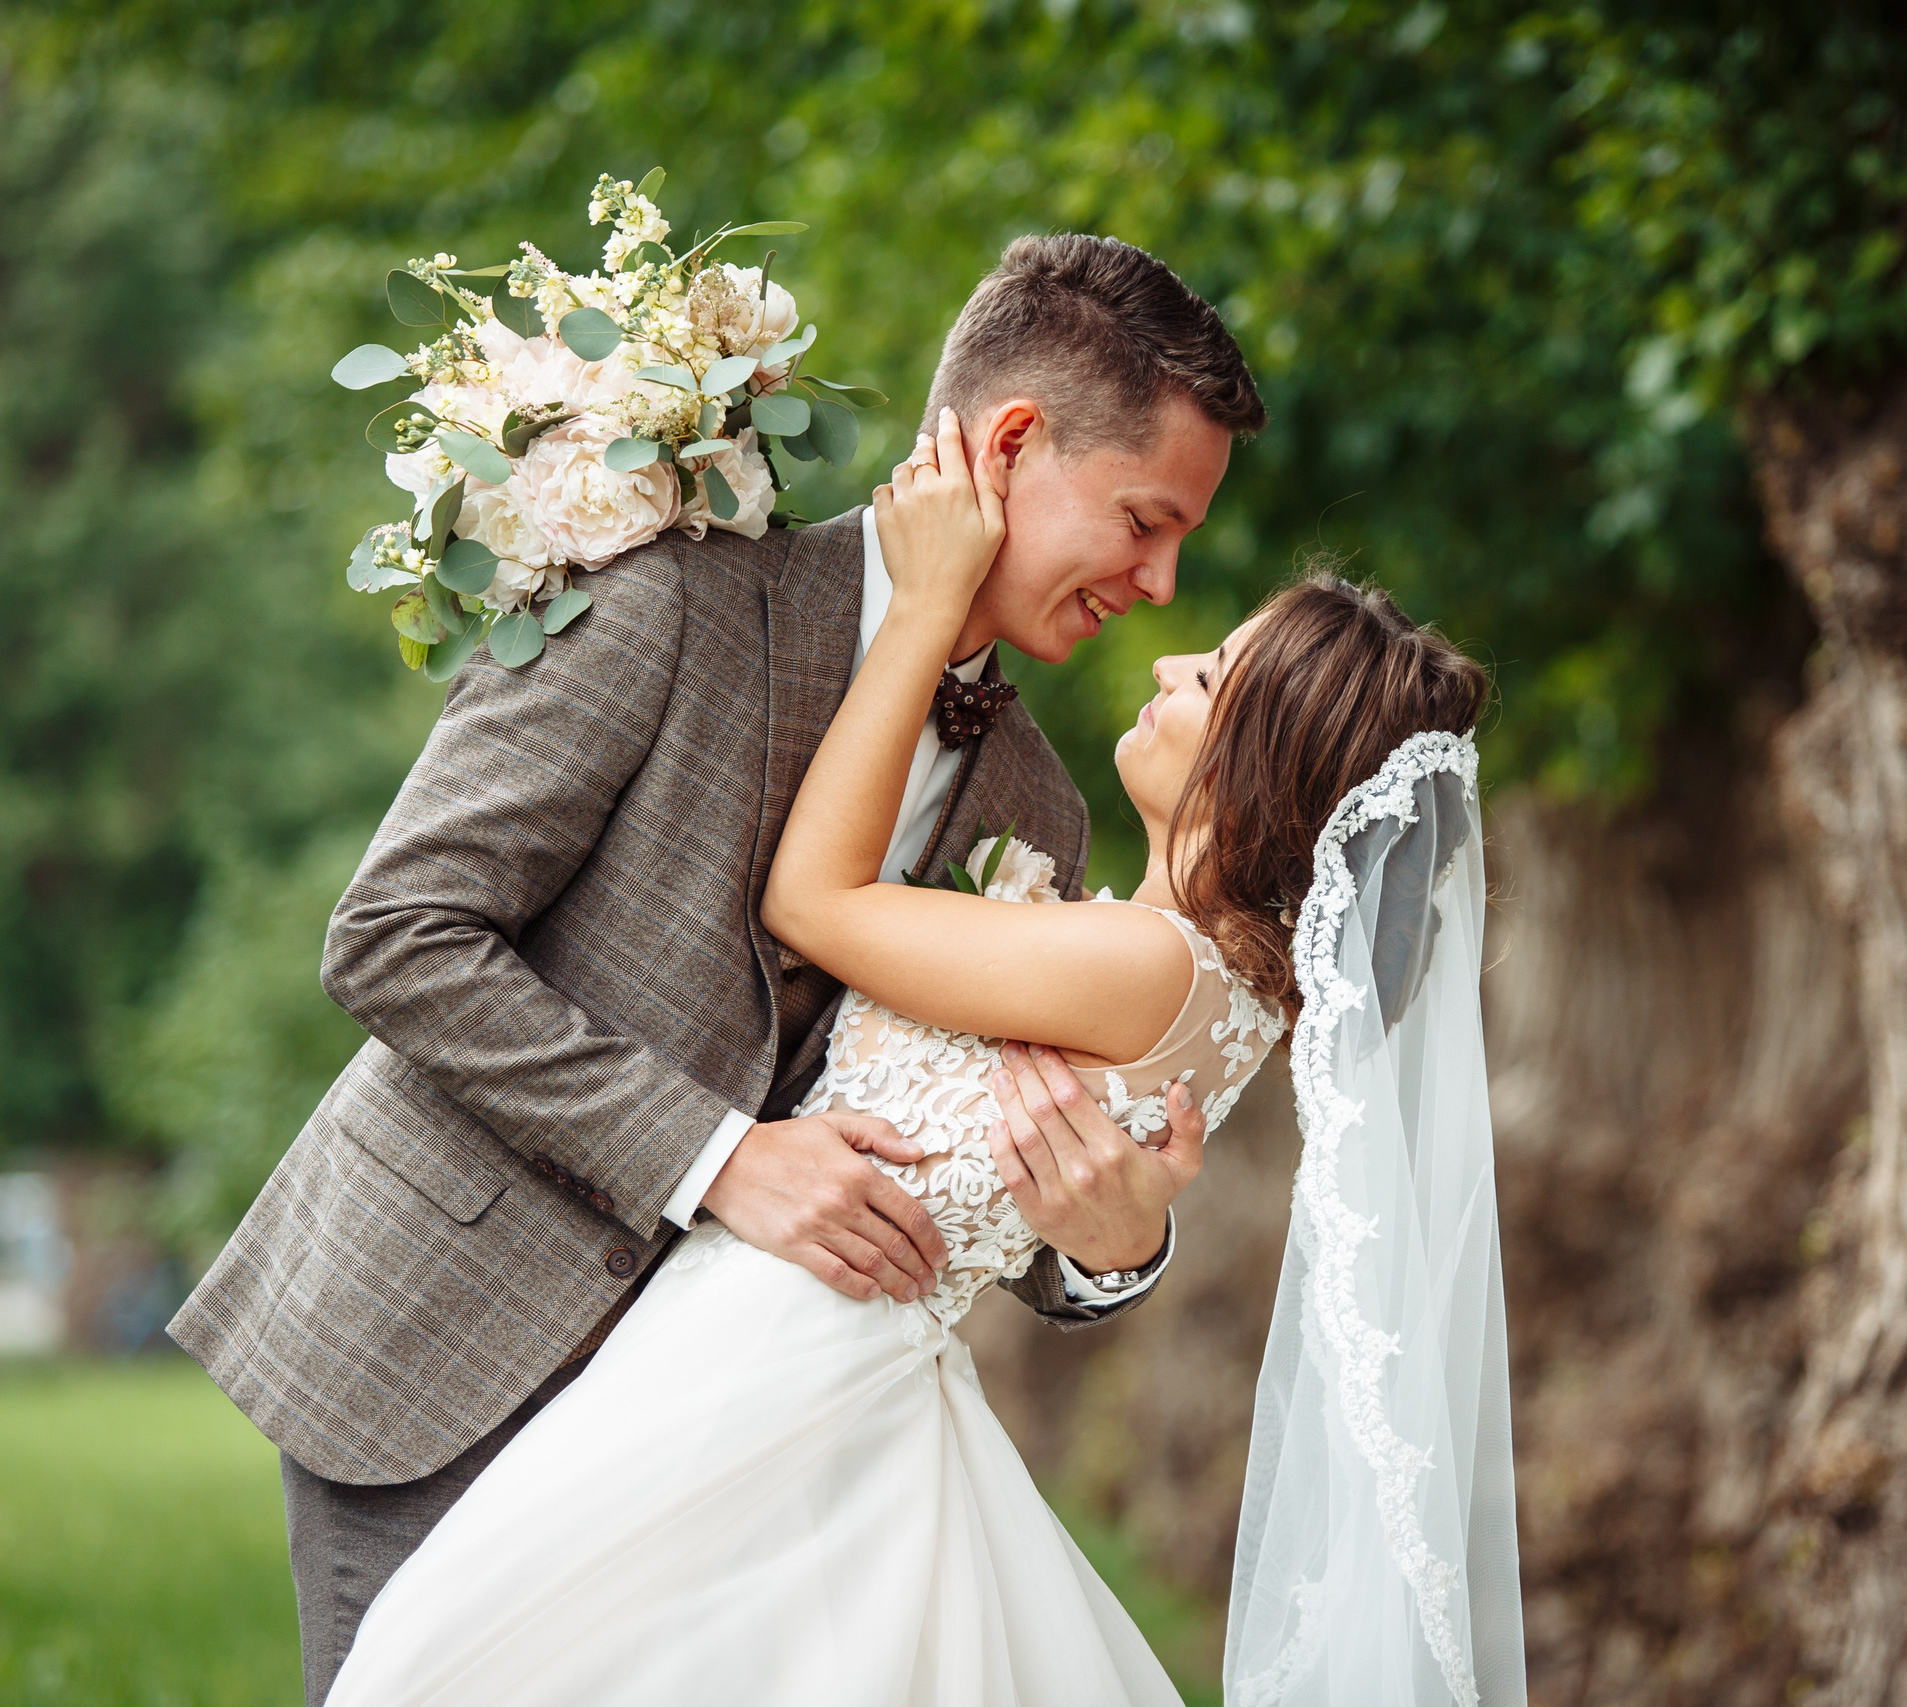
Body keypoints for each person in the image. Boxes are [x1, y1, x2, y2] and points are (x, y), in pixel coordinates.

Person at [170, 234, 1268, 1703]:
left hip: (729, 1438)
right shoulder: (673, 598)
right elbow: (399, 937)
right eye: (1145, 520)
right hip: (442, 1337)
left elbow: (968, 1168)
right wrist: (717, 1158)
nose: (1161, 579)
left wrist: (1115, 1247)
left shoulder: (1039, 810)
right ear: (1012, 444)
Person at [322, 404, 1499, 1704]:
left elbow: (814, 906)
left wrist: (921, 611)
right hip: (722, 1341)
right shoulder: (1172, 963)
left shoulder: (1137, 950)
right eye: (1145, 526)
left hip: (780, 1362)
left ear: (1260, 768)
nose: (1167, 659)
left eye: (1211, 676)